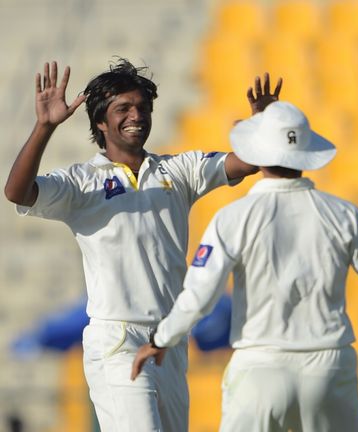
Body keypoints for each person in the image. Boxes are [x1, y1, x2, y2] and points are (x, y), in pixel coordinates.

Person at [131, 101, 358, 431]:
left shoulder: (233, 218)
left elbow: (199, 296)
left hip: (259, 370)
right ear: (307, 154)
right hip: (328, 367)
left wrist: (162, 339)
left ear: (257, 152)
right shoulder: (343, 215)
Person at [4, 58, 282, 431]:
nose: (136, 115)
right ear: (101, 122)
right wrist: (44, 127)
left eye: (143, 107)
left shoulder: (178, 170)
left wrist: (264, 126)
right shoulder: (81, 182)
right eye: (124, 108)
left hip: (169, 340)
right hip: (117, 340)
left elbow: (247, 163)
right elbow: (17, 192)